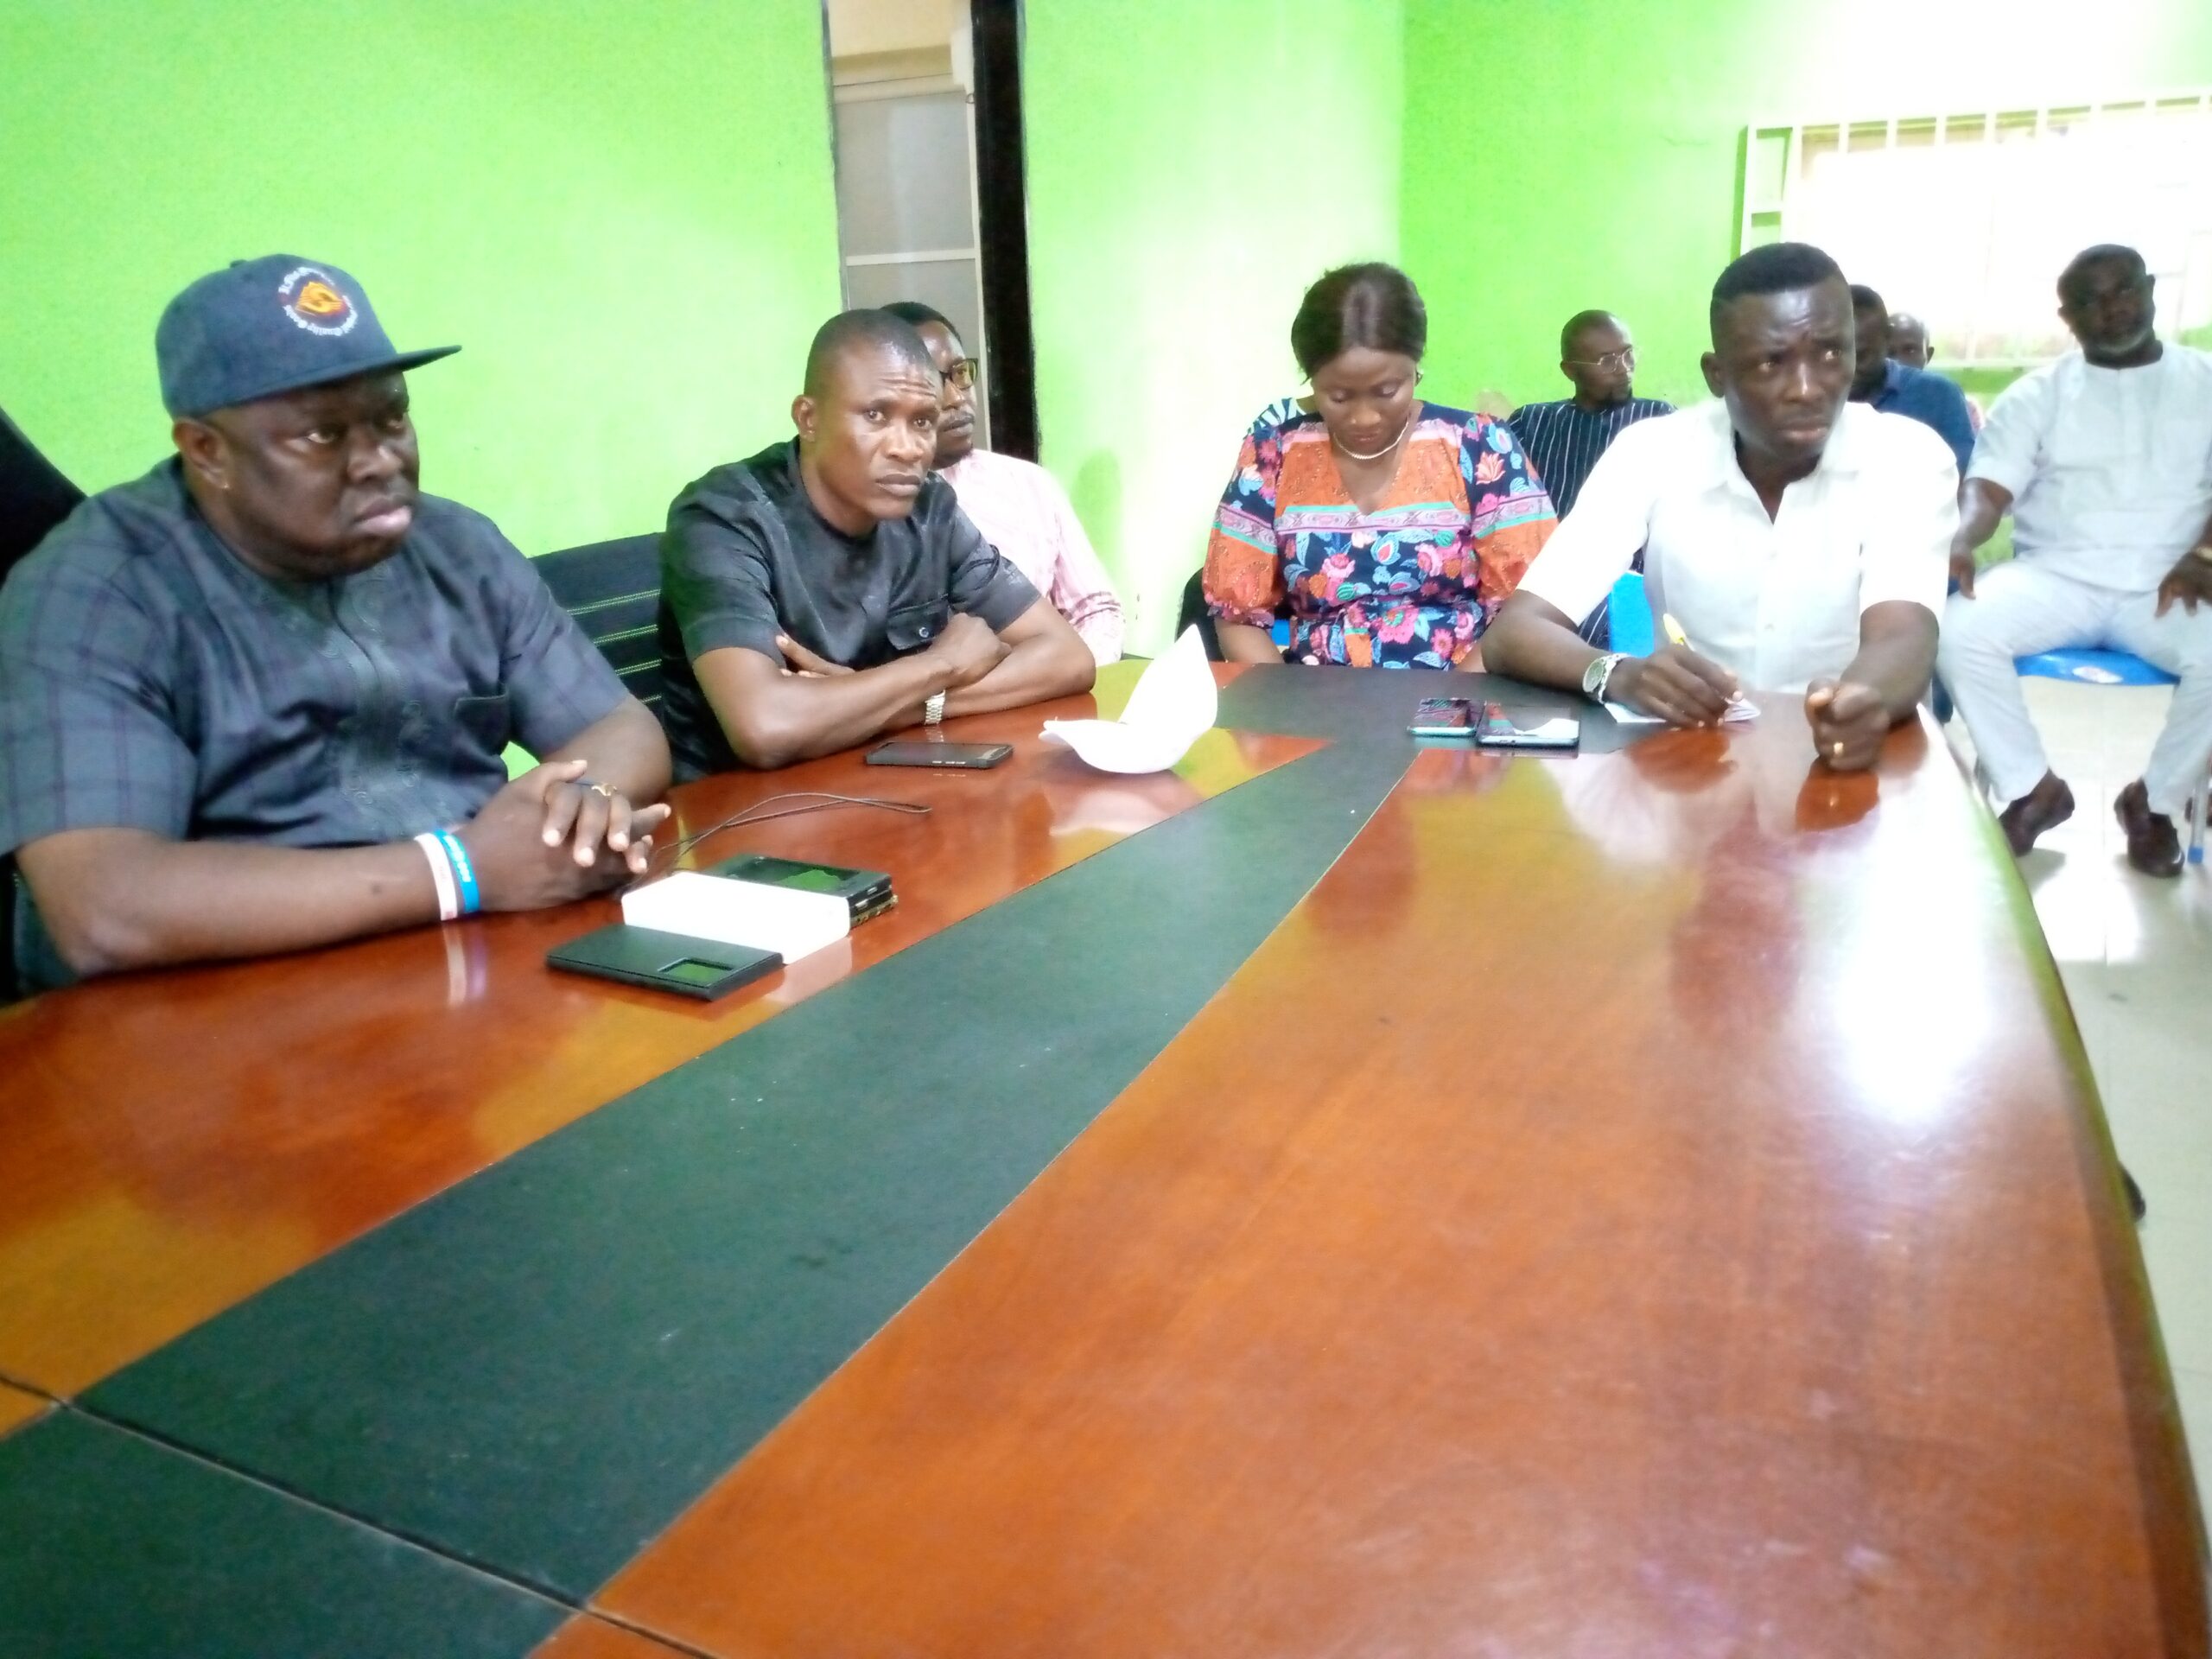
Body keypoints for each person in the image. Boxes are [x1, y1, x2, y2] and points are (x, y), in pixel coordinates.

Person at [0, 256, 671, 991]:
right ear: (207, 451)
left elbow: (618, 728)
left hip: (467, 967)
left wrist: (579, 811)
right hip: (209, 1019)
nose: (379, 460)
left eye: (392, 418)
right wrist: (464, 871)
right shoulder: (99, 591)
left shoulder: (457, 546)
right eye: (323, 437)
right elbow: (105, 905)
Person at [1481, 242, 1955, 772]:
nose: (1807, 388)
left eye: (1830, 353)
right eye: (1771, 362)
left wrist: (1861, 700)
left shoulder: (1906, 456)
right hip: (1693, 767)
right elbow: (1515, 632)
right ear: (1717, 374)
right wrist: (1619, 673)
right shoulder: (1652, 452)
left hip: (1849, 758)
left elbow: (1905, 632)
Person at [657, 309, 1094, 775]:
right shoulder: (723, 518)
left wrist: (895, 701)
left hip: (885, 784)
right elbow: (766, 726)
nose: (907, 448)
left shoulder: (930, 510)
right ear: (808, 418)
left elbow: (1068, 659)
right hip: (743, 816)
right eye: (875, 415)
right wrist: (941, 665)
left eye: (923, 422)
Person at [1938, 244, 2212, 875]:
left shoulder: (2202, 382)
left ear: (2149, 290)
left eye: (2121, 291)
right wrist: (1961, 535)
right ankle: (2033, 788)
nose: (2109, 310)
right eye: (2088, 301)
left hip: (2167, 583)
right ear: (2068, 316)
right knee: (1958, 628)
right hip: (2055, 576)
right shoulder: (2039, 395)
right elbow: (1988, 488)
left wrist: (2204, 554)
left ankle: (2155, 804)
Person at [1203, 263, 1555, 669]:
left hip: (1466, 692)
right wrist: (1287, 712)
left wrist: (1449, 710)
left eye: (1387, 391)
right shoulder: (1271, 456)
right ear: (1310, 380)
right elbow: (1237, 616)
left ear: (1415, 367)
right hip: (1313, 705)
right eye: (1338, 396)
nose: (1364, 417)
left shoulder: (1481, 447)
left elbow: (1530, 608)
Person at [878, 301, 1122, 664]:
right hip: (929, 709)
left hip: (1045, 701)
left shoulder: (1029, 485)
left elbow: (1096, 608)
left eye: (960, 373)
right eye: (931, 380)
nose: (957, 398)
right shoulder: (875, 506)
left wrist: (1071, 675)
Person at [1506, 310, 1675, 519]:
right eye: (1606, 362)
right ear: (1570, 371)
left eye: (1628, 354)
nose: (1624, 369)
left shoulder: (1659, 418)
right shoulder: (1532, 423)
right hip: (1550, 549)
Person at [1847, 285, 1975, 476]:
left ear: (1886, 338)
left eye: (1862, 355)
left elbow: (1962, 478)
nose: (1848, 367)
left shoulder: (1939, 395)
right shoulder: (1812, 394)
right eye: (1834, 354)